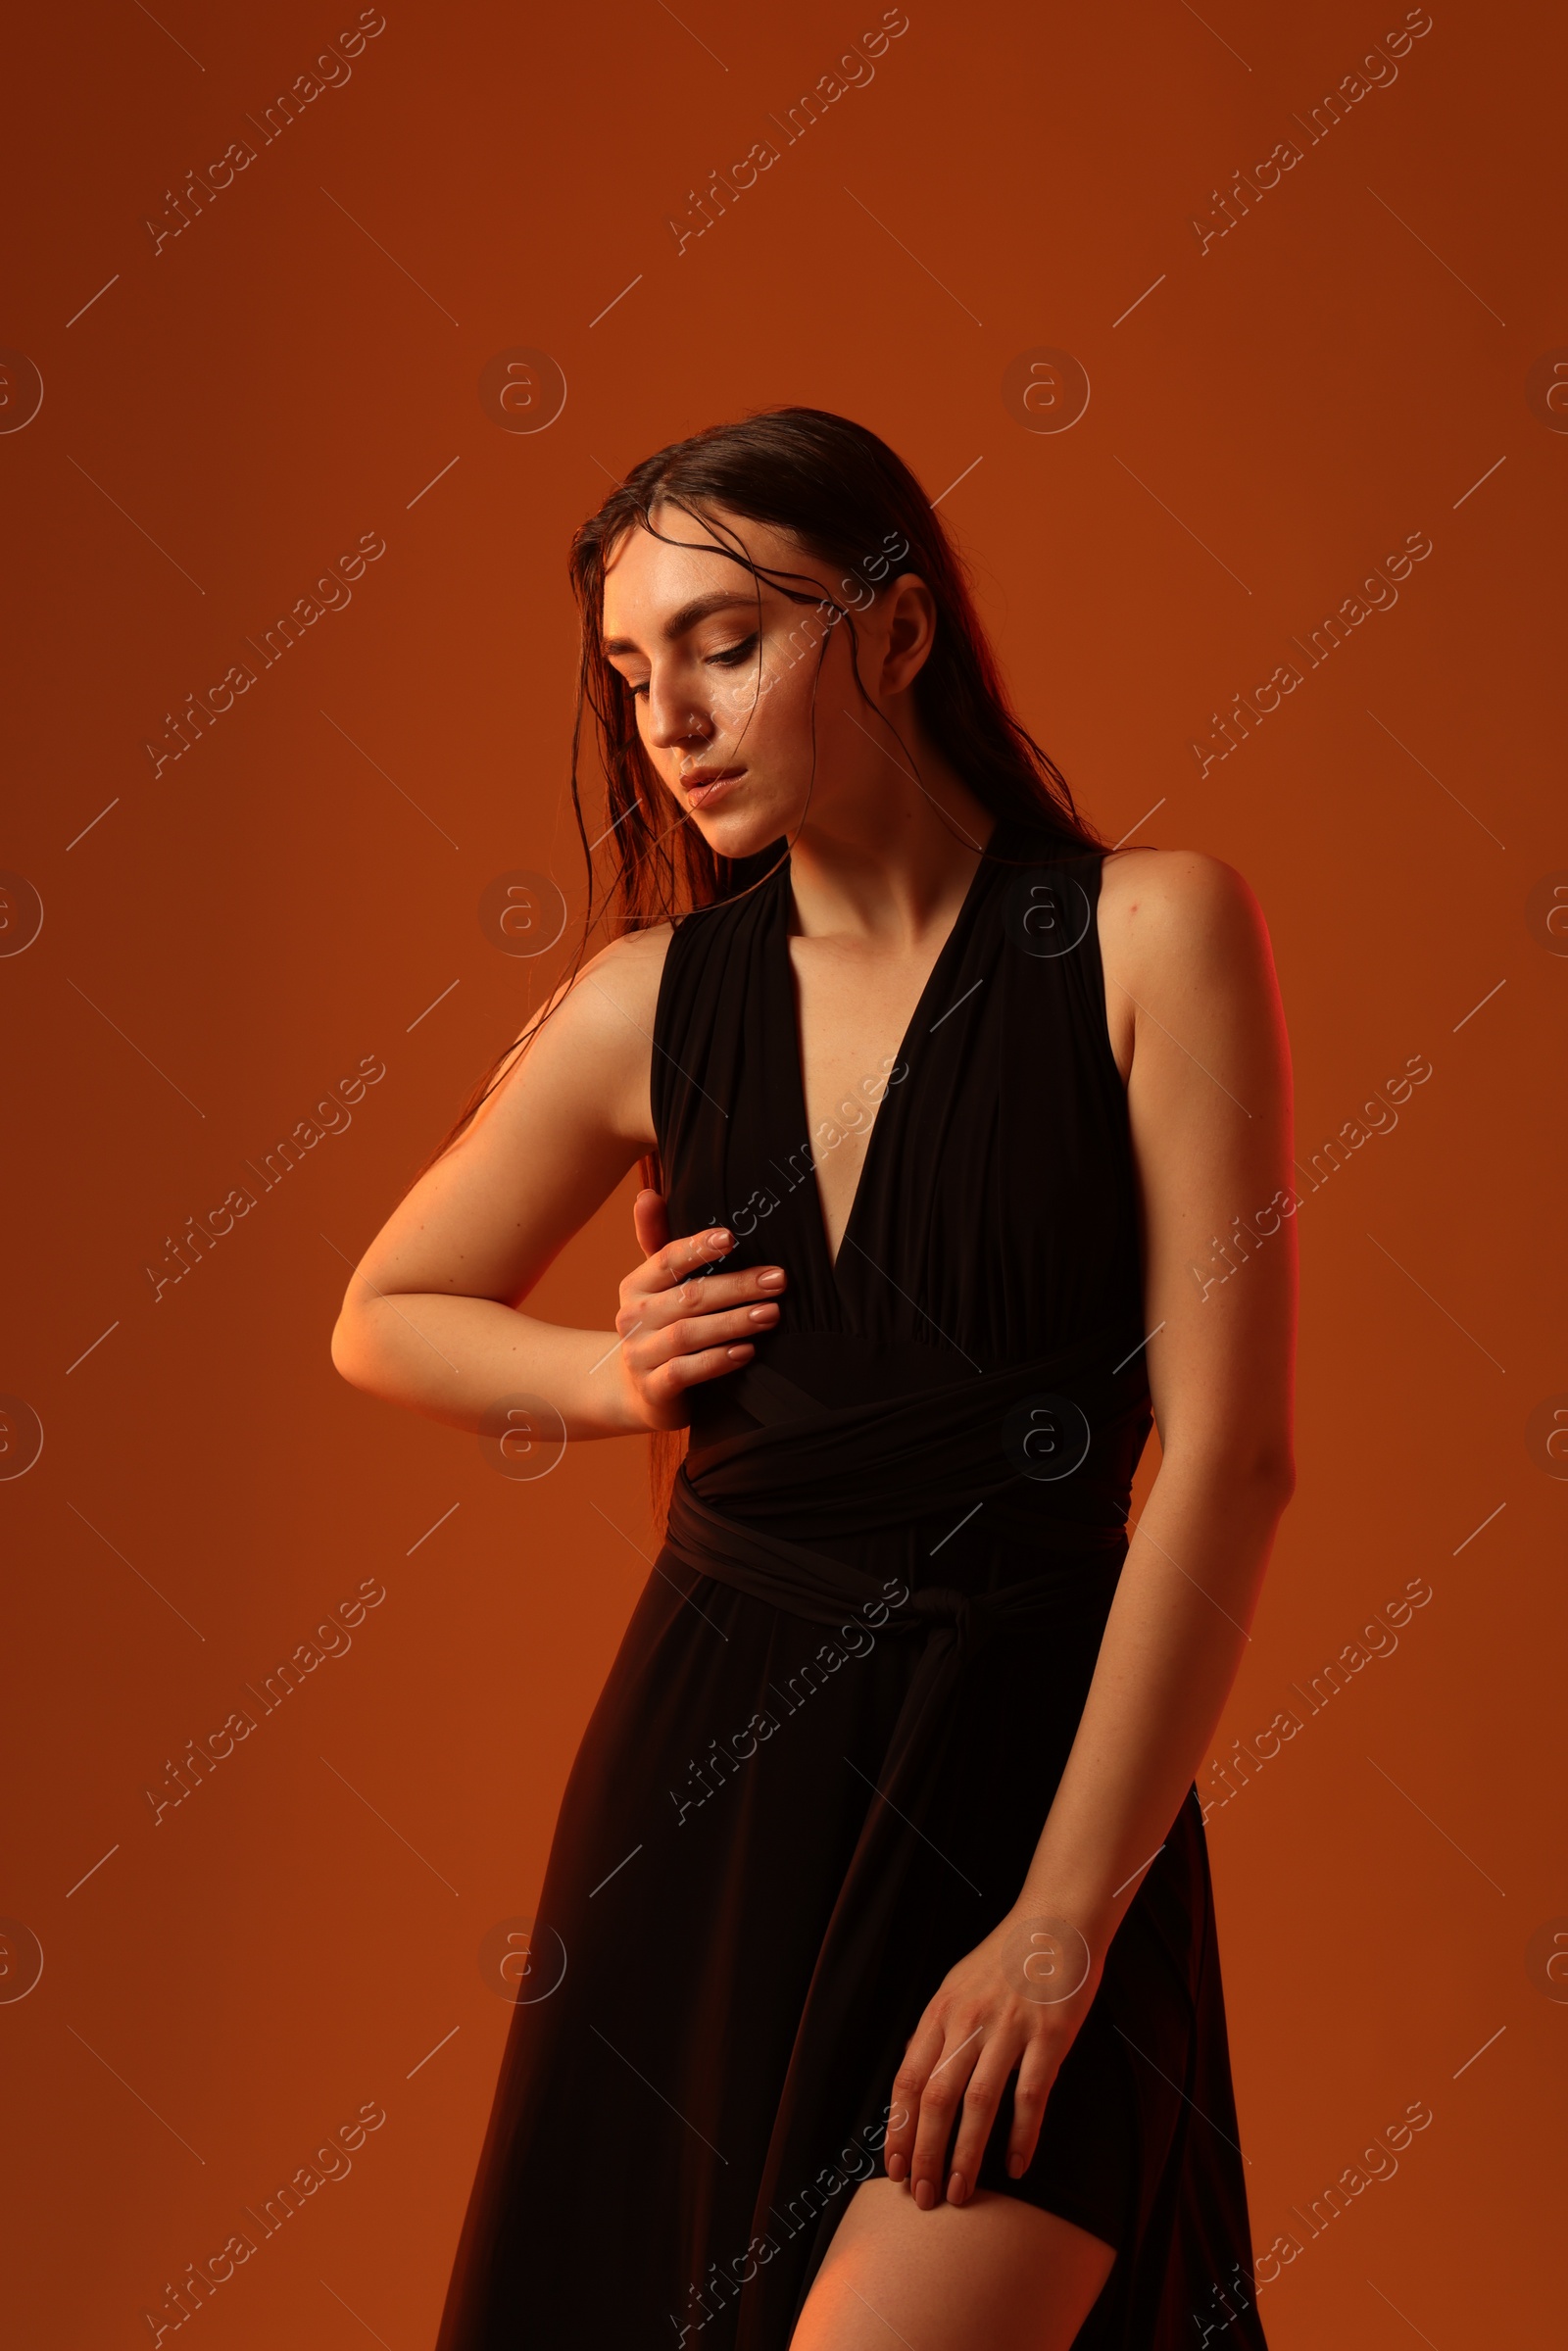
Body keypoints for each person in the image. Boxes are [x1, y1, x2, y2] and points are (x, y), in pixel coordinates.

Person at [330, 406, 1295, 2350]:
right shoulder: (645, 1002)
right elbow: (382, 1310)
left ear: (899, 635)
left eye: (724, 642)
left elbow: (1229, 1460)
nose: (668, 717)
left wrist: (1058, 1925)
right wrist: (607, 1376)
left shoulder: (1146, 937)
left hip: (1035, 1788)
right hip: (707, 1800)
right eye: (630, 670)